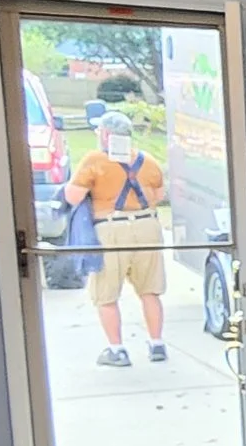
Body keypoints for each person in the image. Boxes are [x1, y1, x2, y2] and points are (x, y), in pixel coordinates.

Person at [68, 109, 170, 365]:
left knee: (106, 294)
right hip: (148, 227)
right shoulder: (148, 161)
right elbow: (159, 196)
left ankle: (117, 350)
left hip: (111, 229)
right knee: (150, 290)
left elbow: (73, 196)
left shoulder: (94, 160)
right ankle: (157, 344)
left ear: (105, 134)